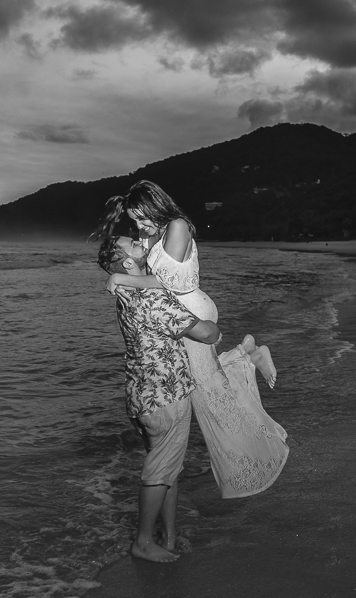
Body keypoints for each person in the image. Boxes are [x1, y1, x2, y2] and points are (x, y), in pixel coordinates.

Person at [94, 180, 289, 499]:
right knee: (204, 385)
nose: (139, 227)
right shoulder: (154, 232)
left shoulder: (178, 226)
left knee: (211, 395)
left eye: (141, 218)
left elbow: (166, 281)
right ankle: (248, 354)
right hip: (178, 313)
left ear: (154, 205)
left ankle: (251, 367)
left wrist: (120, 277)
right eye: (135, 222)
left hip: (190, 310)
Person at [98, 234, 223, 563]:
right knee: (158, 472)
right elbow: (206, 333)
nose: (142, 243)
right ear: (127, 262)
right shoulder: (150, 296)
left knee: (167, 467)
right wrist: (213, 323)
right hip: (166, 395)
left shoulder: (126, 294)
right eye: (134, 245)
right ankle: (142, 542)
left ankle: (168, 536)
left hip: (140, 396)